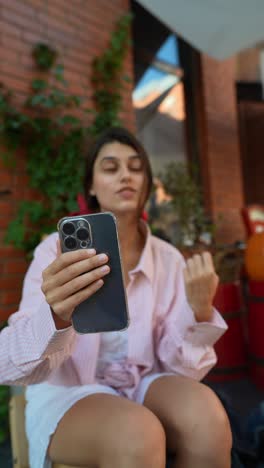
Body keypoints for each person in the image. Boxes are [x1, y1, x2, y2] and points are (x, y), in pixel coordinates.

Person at [0, 127, 232, 468]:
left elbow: (180, 368)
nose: (126, 175)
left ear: (147, 183)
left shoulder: (168, 258)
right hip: (70, 392)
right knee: (137, 432)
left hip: (142, 383)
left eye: (136, 167)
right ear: (91, 186)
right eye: (111, 167)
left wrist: (198, 312)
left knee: (207, 415)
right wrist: (56, 316)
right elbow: (9, 364)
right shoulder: (55, 251)